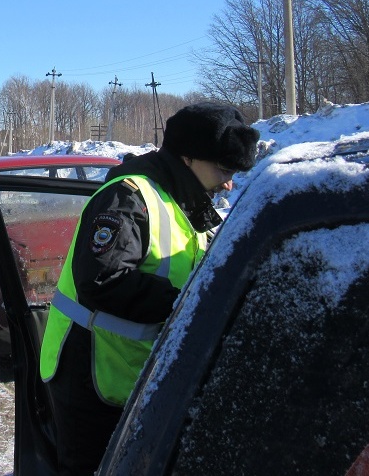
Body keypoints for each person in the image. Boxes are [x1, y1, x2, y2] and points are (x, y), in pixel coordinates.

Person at [39, 102, 260, 474]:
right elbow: (103, 280)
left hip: (131, 369)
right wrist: (191, 306)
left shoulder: (183, 198)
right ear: (188, 158)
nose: (229, 183)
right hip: (89, 372)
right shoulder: (129, 196)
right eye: (224, 169)